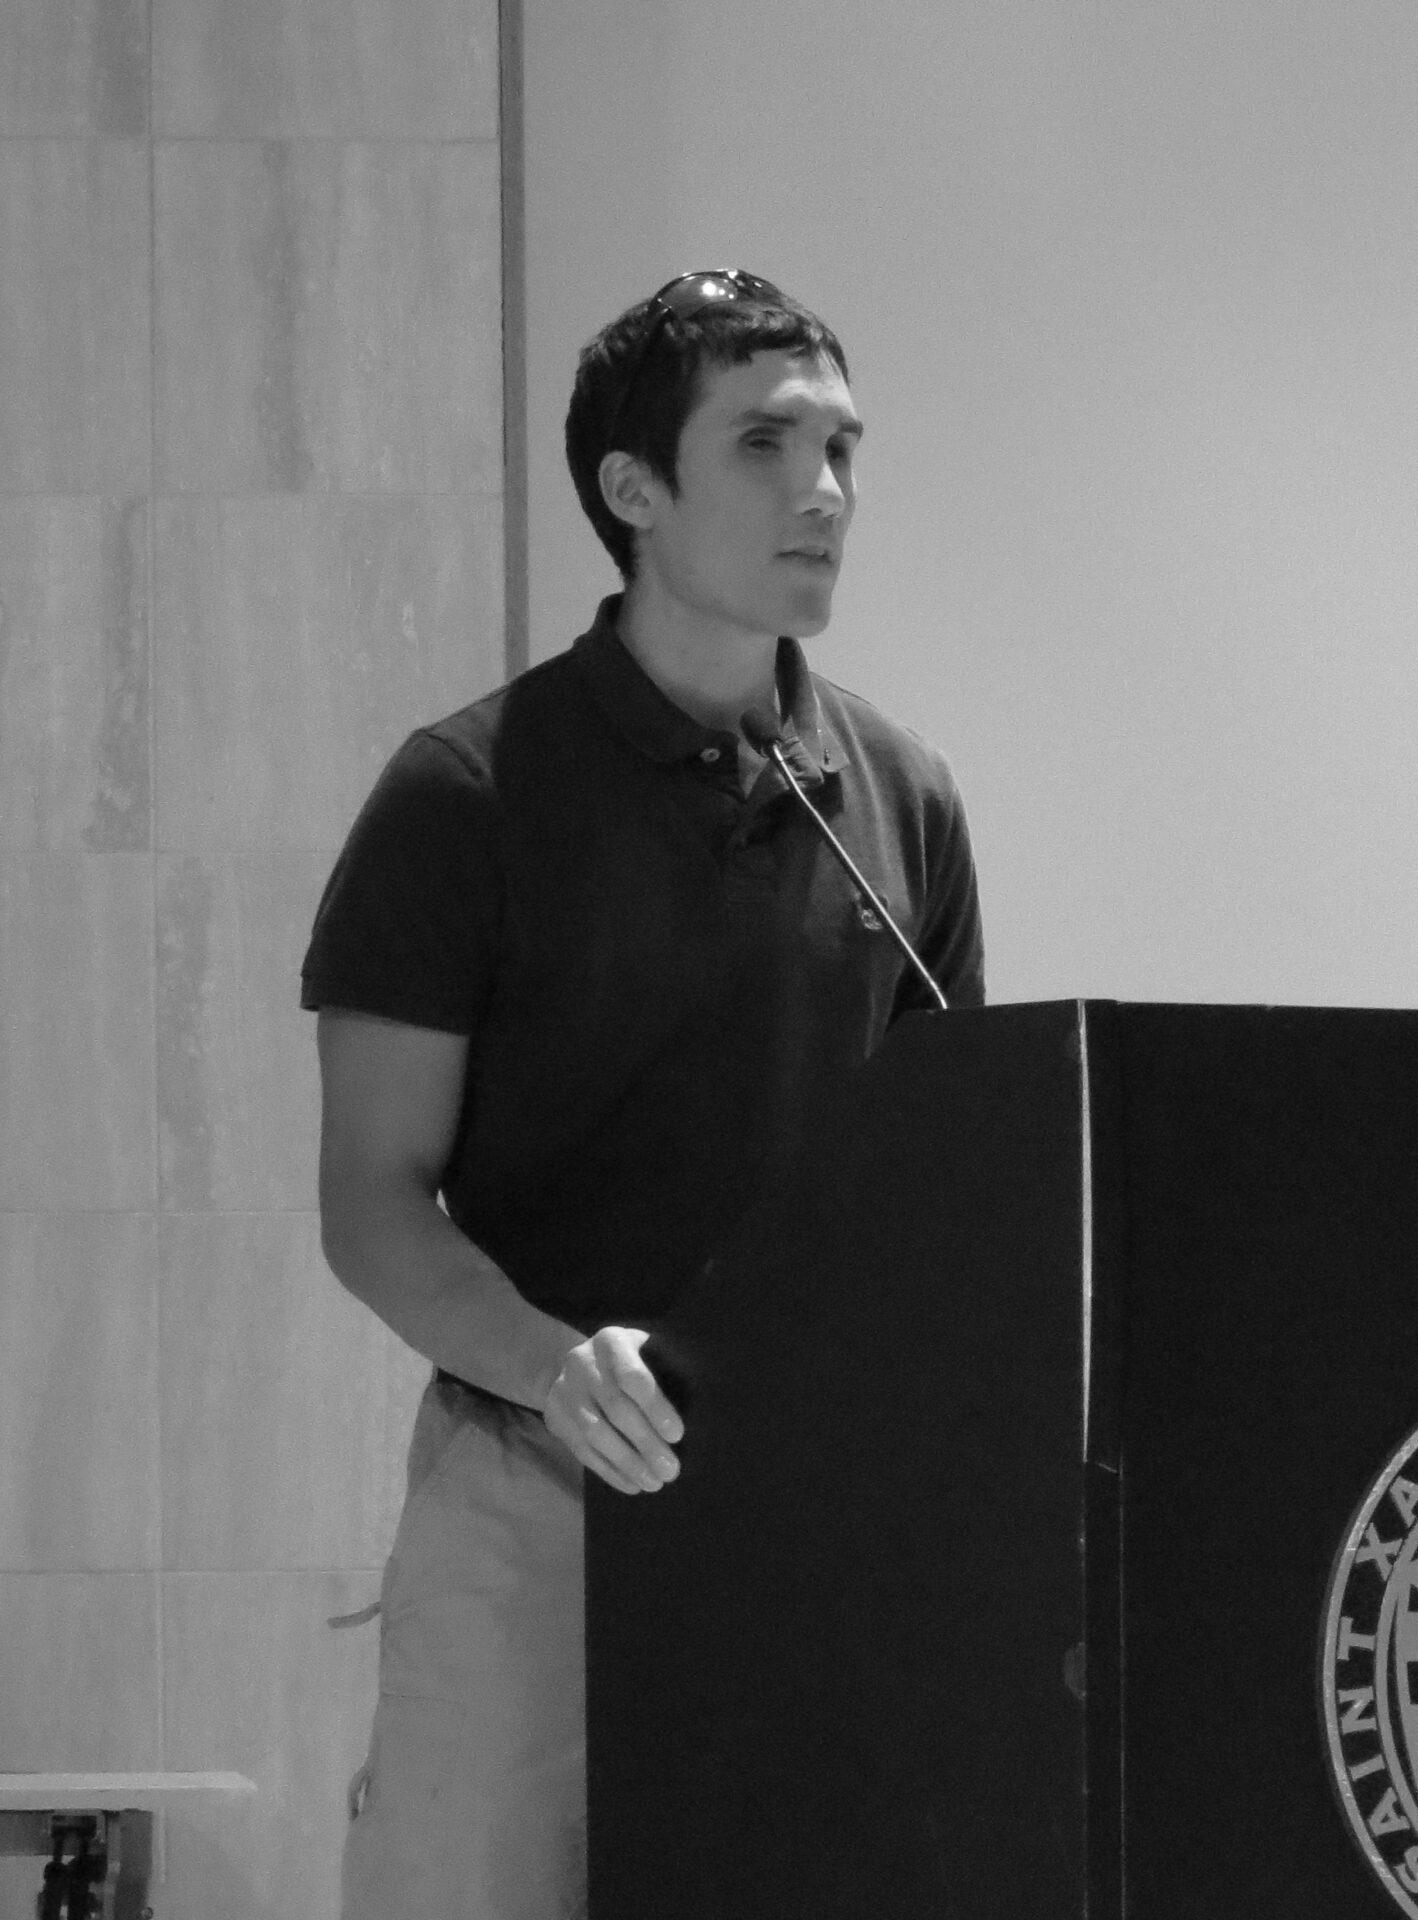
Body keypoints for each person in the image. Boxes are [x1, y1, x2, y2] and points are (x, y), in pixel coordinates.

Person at [303, 270, 985, 1919]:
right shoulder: (464, 795)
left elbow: (952, 1172)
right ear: (633, 491)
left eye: (843, 449)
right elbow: (372, 1202)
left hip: (814, 1507)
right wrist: (554, 1369)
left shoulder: (899, 798)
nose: (823, 493)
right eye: (764, 444)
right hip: (537, 1475)